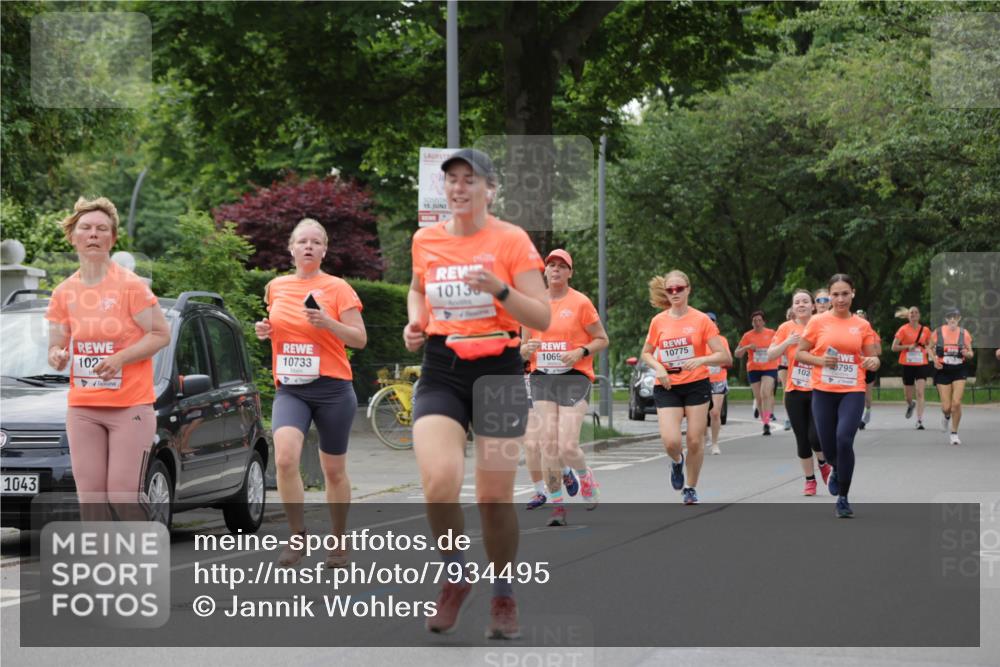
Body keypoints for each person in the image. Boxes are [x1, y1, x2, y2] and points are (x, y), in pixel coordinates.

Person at [404, 149, 549, 639]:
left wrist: (499, 290)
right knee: (439, 482)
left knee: (491, 497)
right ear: (444, 189)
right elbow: (418, 288)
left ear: (490, 189)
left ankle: (504, 594)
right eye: (453, 180)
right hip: (442, 367)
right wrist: (415, 319)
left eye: (471, 180)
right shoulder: (426, 240)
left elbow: (543, 318)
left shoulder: (511, 240)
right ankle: (456, 573)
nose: (461, 188)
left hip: (501, 370)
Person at [46, 197, 170, 519]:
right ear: (72, 236)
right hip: (84, 407)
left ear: (112, 239)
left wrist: (120, 359)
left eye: (102, 229)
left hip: (130, 407)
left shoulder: (130, 286)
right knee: (91, 501)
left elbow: (161, 334)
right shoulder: (63, 292)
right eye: (85, 228)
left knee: (122, 495)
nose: (93, 235)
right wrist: (57, 356)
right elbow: (56, 346)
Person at [255, 218, 367, 568]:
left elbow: (359, 339)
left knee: (333, 471)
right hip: (291, 388)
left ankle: (338, 541)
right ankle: (296, 536)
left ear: (324, 250)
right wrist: (266, 330)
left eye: (315, 242)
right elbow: (280, 328)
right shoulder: (276, 287)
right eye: (302, 241)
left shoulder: (338, 288)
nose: (308, 246)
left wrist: (328, 323)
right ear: (291, 248)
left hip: (333, 388)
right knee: (286, 458)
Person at [521, 249, 609, 526]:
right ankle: (557, 507)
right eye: (551, 265)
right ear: (545, 271)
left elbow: (601, 339)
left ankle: (584, 476)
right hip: (543, 377)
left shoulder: (581, 303)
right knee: (548, 443)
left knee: (567, 446)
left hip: (574, 376)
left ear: (570, 272)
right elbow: (523, 349)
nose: (556, 270)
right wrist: (527, 348)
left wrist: (580, 351)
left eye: (562, 266)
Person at [640, 271, 731, 505]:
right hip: (667, 385)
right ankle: (677, 461)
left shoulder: (701, 320)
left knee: (694, 440)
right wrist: (658, 368)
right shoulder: (658, 321)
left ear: (688, 289)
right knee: (671, 441)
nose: (674, 293)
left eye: (679, 289)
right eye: (670, 290)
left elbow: (724, 355)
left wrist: (701, 360)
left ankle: (690, 487)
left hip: (696, 385)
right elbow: (646, 353)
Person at [796, 274, 879, 518]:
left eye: (845, 293)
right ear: (829, 296)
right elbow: (800, 354)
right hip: (823, 390)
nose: (840, 299)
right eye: (835, 294)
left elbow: (872, 357)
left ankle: (843, 497)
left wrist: (874, 361)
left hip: (852, 390)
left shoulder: (862, 326)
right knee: (827, 446)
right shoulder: (817, 322)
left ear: (853, 293)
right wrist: (821, 360)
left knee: (844, 439)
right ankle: (833, 467)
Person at [768, 289, 831, 496]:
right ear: (793, 307)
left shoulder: (822, 325)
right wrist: (787, 343)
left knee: (815, 436)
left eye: (805, 301)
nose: (801, 305)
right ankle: (809, 480)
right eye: (797, 302)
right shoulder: (786, 328)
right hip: (794, 391)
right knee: (802, 439)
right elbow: (770, 354)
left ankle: (822, 462)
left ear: (813, 306)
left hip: (818, 389)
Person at [930, 309, 974, 445]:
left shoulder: (964, 333)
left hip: (959, 369)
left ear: (959, 318)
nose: (952, 319)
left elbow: (971, 353)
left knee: (957, 403)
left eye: (955, 317)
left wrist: (967, 353)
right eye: (950, 317)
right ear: (946, 319)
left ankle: (954, 433)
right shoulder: (938, 332)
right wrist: (934, 360)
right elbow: (929, 348)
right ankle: (946, 416)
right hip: (943, 370)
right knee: (946, 407)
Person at [736, 311, 780, 435]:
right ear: (752, 322)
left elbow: (780, 347)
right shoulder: (747, 336)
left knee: (765, 392)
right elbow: (737, 354)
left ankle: (767, 422)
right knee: (759, 398)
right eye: (755, 320)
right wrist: (747, 347)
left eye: (760, 320)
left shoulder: (771, 333)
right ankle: (765, 422)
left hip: (769, 367)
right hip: (753, 369)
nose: (757, 322)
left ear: (764, 321)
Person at [891, 306, 932, 430]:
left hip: (921, 364)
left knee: (920, 392)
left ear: (919, 315)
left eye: (916, 312)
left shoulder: (925, 330)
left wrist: (929, 353)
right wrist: (907, 347)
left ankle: (919, 420)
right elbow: (894, 347)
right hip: (907, 365)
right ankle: (911, 404)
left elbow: (930, 345)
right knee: (908, 396)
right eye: (911, 313)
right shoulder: (903, 330)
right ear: (908, 316)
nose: (913, 314)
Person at [705, 312, 730, 456]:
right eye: (707, 321)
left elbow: (728, 359)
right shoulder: (699, 339)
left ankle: (715, 443)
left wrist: (717, 361)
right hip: (701, 379)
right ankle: (704, 437)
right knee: (701, 414)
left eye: (712, 321)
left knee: (715, 412)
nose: (710, 323)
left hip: (718, 379)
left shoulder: (722, 340)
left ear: (716, 324)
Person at [855, 310, 881, 429]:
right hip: (855, 366)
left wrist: (867, 351)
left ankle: (868, 411)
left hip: (868, 364)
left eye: (862, 317)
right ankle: (857, 418)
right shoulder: (851, 331)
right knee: (856, 394)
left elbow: (879, 351)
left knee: (867, 395)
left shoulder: (872, 333)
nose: (860, 319)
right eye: (858, 317)